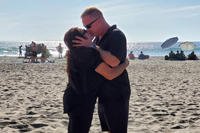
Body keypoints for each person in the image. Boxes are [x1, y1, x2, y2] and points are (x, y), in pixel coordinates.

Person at [73, 7, 130, 133]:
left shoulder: (116, 35)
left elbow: (114, 62)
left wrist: (93, 46)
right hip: (103, 93)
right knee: (107, 128)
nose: (87, 30)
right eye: (85, 28)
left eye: (88, 26)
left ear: (99, 20)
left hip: (117, 92)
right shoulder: (98, 38)